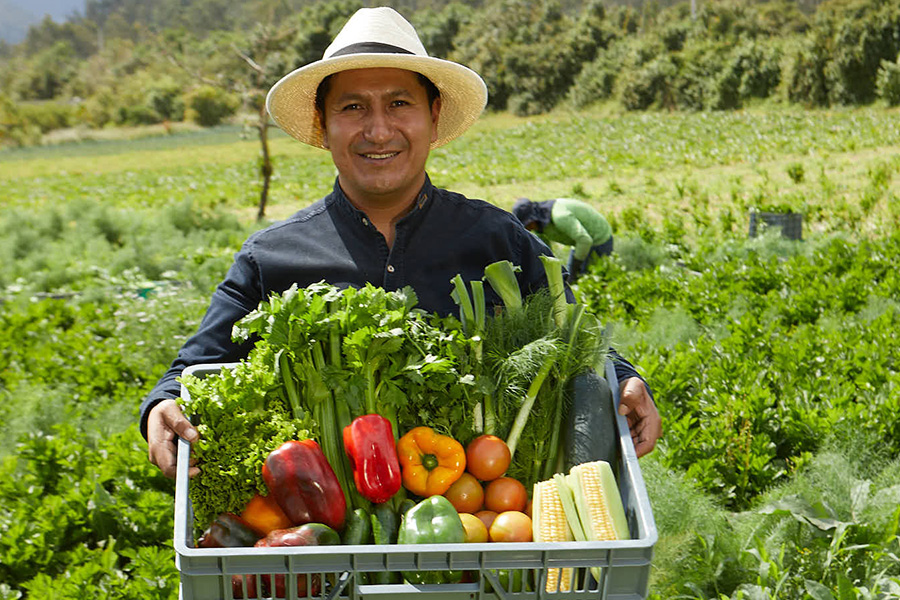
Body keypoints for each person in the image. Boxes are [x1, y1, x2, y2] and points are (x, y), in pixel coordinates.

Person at [141, 7, 661, 480]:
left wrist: (623, 376)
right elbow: (192, 368)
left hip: (483, 528)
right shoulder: (268, 259)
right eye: (352, 107)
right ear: (324, 126)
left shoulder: (499, 239)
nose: (379, 129)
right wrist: (162, 404)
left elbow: (574, 336)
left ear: (433, 117)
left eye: (399, 103)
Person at [512, 197, 613, 283]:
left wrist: (576, 267)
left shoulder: (560, 217)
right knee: (569, 279)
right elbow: (543, 249)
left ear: (532, 219)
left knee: (592, 279)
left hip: (599, 237)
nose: (527, 229)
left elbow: (585, 240)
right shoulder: (540, 224)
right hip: (580, 240)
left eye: (526, 225)